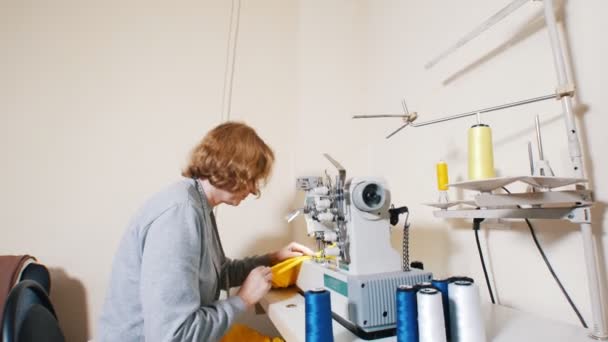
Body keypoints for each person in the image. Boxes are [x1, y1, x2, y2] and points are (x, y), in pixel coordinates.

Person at [97, 121, 313, 342]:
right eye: (251, 178)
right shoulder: (179, 214)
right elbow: (173, 335)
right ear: (232, 168)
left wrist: (273, 259)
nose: (253, 190)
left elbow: (219, 272)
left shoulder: (197, 204)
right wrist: (243, 300)